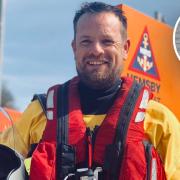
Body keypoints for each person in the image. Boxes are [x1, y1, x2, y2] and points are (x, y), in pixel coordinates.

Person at [0, 2, 180, 180]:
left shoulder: (161, 123)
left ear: (125, 49)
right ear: (74, 48)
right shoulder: (37, 114)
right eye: (86, 41)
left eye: (107, 41)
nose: (96, 50)